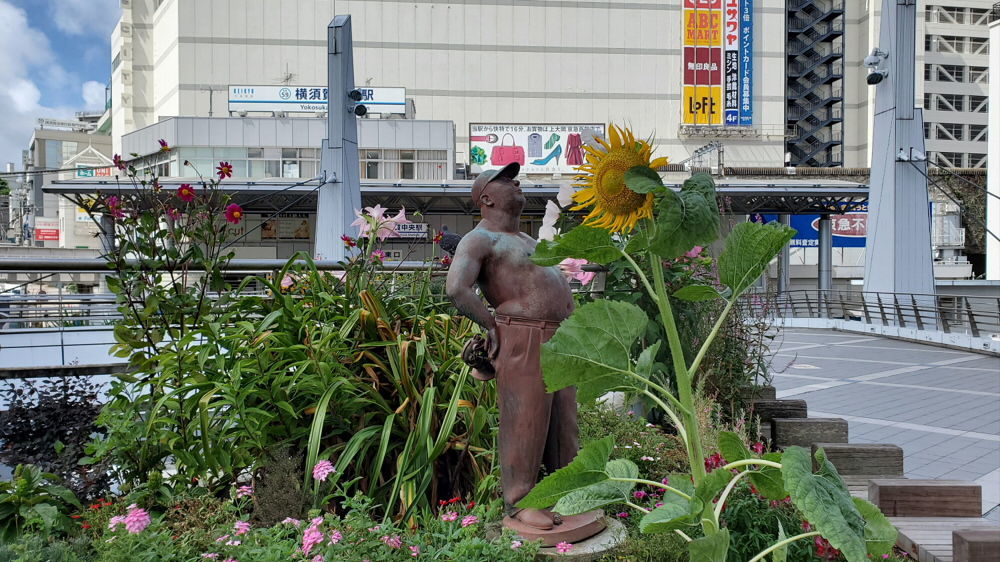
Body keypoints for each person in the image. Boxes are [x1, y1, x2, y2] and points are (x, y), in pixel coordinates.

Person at [446, 162, 578, 531]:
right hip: (523, 334)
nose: (515, 182)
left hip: (559, 337)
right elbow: (457, 288)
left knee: (562, 424)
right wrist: (490, 326)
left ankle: (566, 493)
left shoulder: (527, 241)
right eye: (505, 180)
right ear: (486, 197)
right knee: (526, 420)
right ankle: (520, 502)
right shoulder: (480, 239)